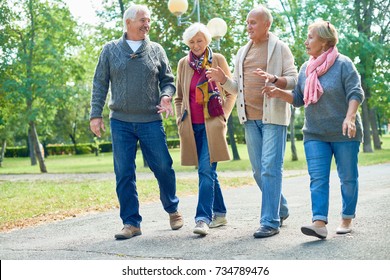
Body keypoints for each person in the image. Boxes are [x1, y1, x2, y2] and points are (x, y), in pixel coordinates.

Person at [89, 4, 183, 240]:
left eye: (149, 20)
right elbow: (100, 83)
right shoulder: (110, 50)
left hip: (150, 120)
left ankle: (172, 208)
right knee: (124, 173)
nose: (147, 24)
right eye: (143, 20)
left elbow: (168, 80)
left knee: (163, 166)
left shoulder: (156, 50)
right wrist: (95, 114)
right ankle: (131, 223)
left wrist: (166, 95)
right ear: (128, 22)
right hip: (120, 121)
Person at [264, 20, 364, 239]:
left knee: (348, 178)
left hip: (344, 133)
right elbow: (299, 99)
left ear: (325, 42)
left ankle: (346, 217)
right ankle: (319, 222)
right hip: (315, 133)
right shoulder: (306, 68)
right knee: (318, 178)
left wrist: (350, 118)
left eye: (311, 37)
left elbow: (355, 93)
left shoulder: (343, 64)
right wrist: (279, 93)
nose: (306, 41)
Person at [206, 5, 298, 238]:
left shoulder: (280, 48)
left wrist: (276, 81)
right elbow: (236, 87)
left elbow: (294, 79)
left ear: (267, 25)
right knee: (258, 171)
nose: (248, 26)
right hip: (250, 119)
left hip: (273, 119)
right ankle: (281, 207)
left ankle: (270, 221)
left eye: (253, 22)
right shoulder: (242, 51)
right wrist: (223, 79)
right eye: (247, 23)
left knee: (270, 168)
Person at [174, 23, 236, 236]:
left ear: (207, 40)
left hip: (212, 125)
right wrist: (179, 120)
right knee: (208, 171)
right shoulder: (184, 64)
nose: (196, 45)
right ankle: (220, 213)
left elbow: (231, 92)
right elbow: (179, 97)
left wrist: (223, 117)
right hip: (192, 128)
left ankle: (202, 219)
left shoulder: (217, 60)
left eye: (199, 40)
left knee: (205, 171)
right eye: (192, 42)